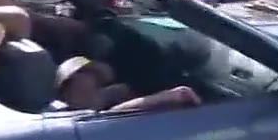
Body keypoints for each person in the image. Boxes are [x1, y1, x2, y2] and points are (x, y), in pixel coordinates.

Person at [55, 56, 201, 112]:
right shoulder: (67, 116)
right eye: (87, 74)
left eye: (96, 78)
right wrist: (169, 96)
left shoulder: (104, 97)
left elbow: (114, 94)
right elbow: (107, 116)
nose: (92, 80)